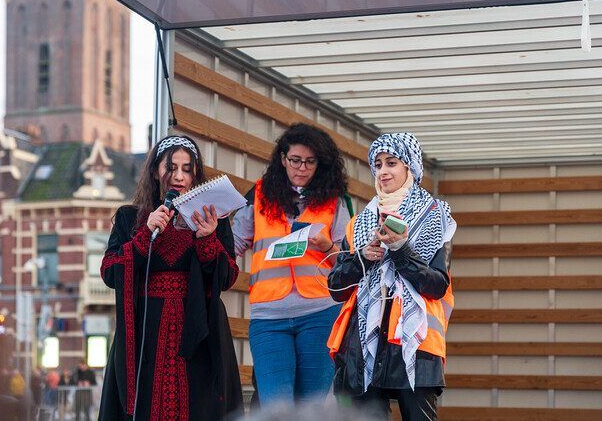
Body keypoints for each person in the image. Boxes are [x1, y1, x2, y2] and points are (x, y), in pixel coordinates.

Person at [98, 135, 243, 420]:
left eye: (187, 169)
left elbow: (227, 278)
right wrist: (143, 237)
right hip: (145, 330)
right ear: (155, 171)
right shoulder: (131, 218)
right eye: (171, 167)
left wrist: (207, 239)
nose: (179, 176)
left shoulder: (214, 218)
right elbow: (109, 272)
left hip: (199, 329)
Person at [327, 133, 456, 421]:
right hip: (360, 350)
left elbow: (436, 285)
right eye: (378, 164)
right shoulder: (360, 222)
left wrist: (399, 250)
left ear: (410, 167)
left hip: (416, 346)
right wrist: (362, 258)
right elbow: (335, 288)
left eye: (392, 163)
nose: (383, 171)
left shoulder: (435, 217)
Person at [231, 123, 350, 406]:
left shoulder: (335, 201)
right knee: (276, 407)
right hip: (269, 317)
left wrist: (327, 247)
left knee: (311, 407)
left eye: (310, 162)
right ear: (283, 159)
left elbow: (347, 264)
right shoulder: (258, 195)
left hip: (320, 314)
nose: (302, 168)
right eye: (295, 160)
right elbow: (232, 244)